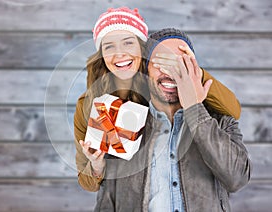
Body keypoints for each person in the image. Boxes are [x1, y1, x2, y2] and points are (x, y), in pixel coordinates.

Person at [74, 7, 242, 192]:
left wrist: (194, 70)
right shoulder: (88, 104)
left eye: (128, 43)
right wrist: (97, 167)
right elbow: (87, 183)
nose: (119, 54)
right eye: (109, 46)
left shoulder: (159, 86)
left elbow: (233, 110)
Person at [92, 28, 251, 212]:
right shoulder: (122, 122)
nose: (171, 72)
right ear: (146, 70)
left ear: (193, 71)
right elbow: (107, 202)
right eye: (161, 62)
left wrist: (194, 108)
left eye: (180, 64)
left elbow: (237, 179)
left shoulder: (221, 122)